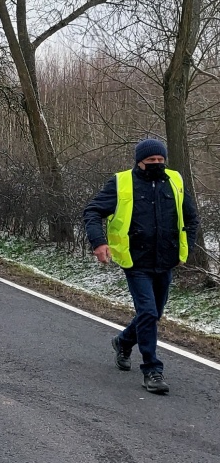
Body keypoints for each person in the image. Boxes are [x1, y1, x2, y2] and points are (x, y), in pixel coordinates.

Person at [82, 138, 199, 395]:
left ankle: (123, 342)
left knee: (153, 314)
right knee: (147, 312)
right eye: (151, 161)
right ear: (139, 162)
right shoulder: (122, 182)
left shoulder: (175, 181)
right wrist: (99, 242)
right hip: (136, 260)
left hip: (166, 259)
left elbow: (191, 218)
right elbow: (92, 212)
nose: (157, 164)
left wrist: (185, 247)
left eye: (161, 160)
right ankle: (152, 370)